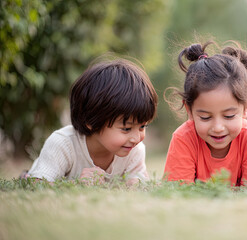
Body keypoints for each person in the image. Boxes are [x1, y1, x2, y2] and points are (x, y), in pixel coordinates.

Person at [25, 56, 158, 185]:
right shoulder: (63, 144)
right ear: (91, 121)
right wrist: (75, 184)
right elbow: (38, 184)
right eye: (126, 129)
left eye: (142, 127)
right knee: (28, 178)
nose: (136, 138)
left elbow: (138, 182)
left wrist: (137, 183)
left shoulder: (134, 150)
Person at [163, 41, 247, 189]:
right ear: (189, 110)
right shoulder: (184, 138)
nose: (218, 128)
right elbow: (179, 194)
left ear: (246, 107)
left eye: (229, 116)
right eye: (205, 117)